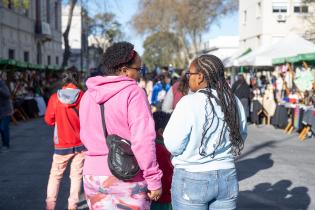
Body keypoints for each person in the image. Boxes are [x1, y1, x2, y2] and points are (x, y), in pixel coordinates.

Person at [79, 42, 162, 209]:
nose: (140, 74)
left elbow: (84, 133)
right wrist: (153, 178)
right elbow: (143, 140)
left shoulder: (88, 94)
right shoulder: (134, 93)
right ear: (125, 70)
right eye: (139, 70)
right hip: (127, 175)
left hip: (93, 175)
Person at [163, 54, 247, 210]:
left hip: (192, 177)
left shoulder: (189, 102)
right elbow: (240, 136)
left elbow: (173, 144)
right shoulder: (234, 101)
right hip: (227, 176)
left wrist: (191, 153)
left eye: (190, 74)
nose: (188, 78)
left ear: (200, 77)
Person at [44, 70, 85, 210]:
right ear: (77, 80)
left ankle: (50, 206)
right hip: (81, 144)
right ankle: (72, 206)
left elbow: (49, 120)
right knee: (76, 177)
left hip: (61, 144)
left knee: (55, 176)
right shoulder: (83, 97)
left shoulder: (55, 98)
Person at [151, 111, 173, 210]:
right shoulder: (162, 151)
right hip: (163, 199)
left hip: (152, 196)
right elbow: (167, 178)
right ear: (161, 132)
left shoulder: (151, 147)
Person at [0, 73, 13, 151]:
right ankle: (4, 143)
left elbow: (8, 94)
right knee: (2, 128)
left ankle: (6, 144)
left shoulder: (2, 85)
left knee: (3, 128)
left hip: (6, 111)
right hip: (1, 111)